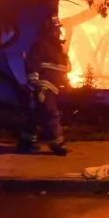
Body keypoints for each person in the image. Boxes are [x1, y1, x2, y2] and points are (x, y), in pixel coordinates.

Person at [17, 16, 70, 156]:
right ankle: (57, 144)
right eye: (54, 29)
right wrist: (35, 83)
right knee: (51, 113)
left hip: (54, 86)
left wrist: (65, 81)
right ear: (47, 30)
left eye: (58, 29)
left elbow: (61, 67)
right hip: (44, 86)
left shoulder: (57, 48)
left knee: (37, 115)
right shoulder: (41, 45)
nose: (57, 32)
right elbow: (33, 62)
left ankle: (25, 142)